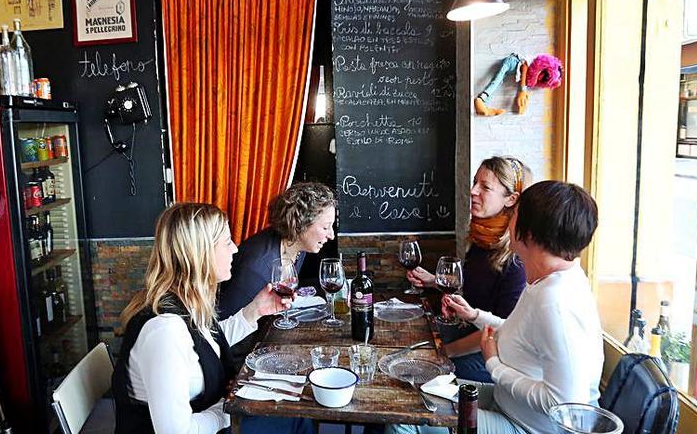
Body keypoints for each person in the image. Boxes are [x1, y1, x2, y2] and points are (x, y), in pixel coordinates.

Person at [388, 180, 603, 434]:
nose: (508, 221)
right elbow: (522, 335)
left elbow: (565, 404)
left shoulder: (556, 302)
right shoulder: (546, 283)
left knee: (402, 416)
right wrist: (475, 315)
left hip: (526, 426)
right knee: (409, 389)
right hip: (507, 403)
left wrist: (494, 366)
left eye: (514, 214)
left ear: (529, 233)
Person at [112, 202, 313, 434]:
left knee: (293, 412)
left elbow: (203, 347)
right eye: (227, 242)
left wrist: (255, 310)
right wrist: (227, 408)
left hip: (210, 419)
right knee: (297, 421)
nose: (235, 250)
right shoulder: (164, 331)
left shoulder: (184, 302)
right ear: (200, 253)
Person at [406, 157, 530, 382]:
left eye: (485, 187)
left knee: (420, 369)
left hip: (493, 356)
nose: (472, 191)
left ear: (511, 199)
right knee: (412, 334)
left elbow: (500, 332)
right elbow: (477, 288)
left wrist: (444, 352)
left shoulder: (516, 260)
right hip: (469, 333)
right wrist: (436, 281)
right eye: (475, 183)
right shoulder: (482, 238)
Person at [218, 182, 336, 318]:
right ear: (300, 225)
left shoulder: (298, 244)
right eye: (326, 227)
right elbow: (225, 326)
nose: (331, 236)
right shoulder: (257, 268)